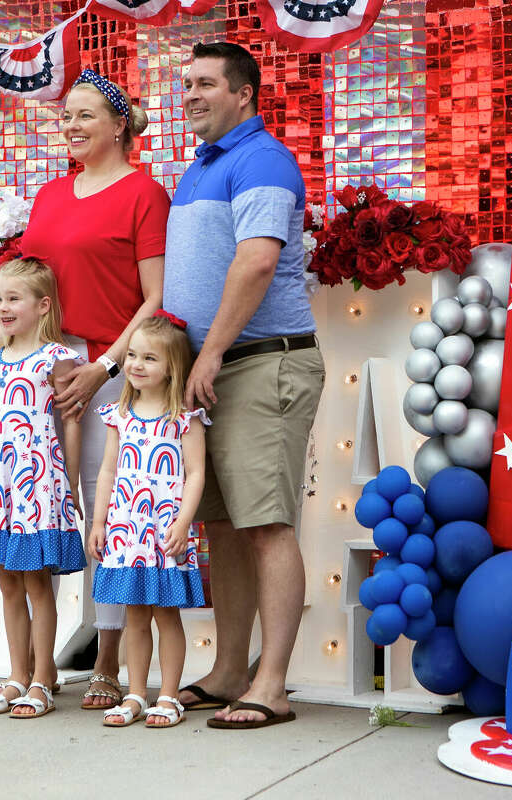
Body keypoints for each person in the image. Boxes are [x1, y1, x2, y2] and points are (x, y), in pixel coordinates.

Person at [164, 41, 324, 729]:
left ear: (244, 94)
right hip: (215, 370)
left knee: (265, 524)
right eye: (187, 84)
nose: (191, 94)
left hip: (262, 363)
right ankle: (231, 670)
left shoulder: (263, 160)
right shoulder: (200, 167)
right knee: (222, 527)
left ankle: (273, 685)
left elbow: (257, 264)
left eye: (205, 83)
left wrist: (212, 352)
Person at [18, 68, 170, 711]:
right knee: (49, 503)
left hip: (112, 369)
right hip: (48, 368)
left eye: (84, 116)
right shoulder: (51, 194)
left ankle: (109, 659)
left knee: (107, 510)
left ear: (118, 125)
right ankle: (38, 662)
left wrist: (104, 367)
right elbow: (30, 283)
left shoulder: (144, 193)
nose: (71, 126)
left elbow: (158, 297)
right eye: (65, 117)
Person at [0, 258, 86, 719]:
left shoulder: (57, 357)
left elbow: (70, 421)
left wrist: (68, 482)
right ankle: (16, 675)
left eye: (14, 298)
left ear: (42, 304)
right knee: (8, 581)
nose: (3, 306)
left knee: (37, 583)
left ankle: (42, 677)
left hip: (38, 481)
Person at [87, 314, 210, 728]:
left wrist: (184, 521)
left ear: (173, 367)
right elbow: (107, 471)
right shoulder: (118, 413)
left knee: (165, 614)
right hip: (127, 531)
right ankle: (137, 693)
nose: (136, 364)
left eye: (149, 358)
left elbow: (196, 474)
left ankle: (170, 695)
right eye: (133, 355)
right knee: (135, 614)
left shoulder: (185, 418)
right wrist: (100, 522)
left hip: (165, 532)